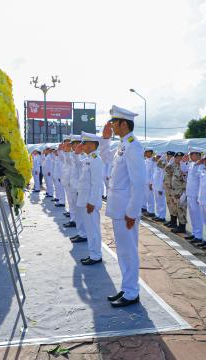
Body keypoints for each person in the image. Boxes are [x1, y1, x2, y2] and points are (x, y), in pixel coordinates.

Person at [100, 105, 145, 307]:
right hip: (120, 207)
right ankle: (127, 288)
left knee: (128, 251)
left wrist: (132, 211)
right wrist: (105, 139)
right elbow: (106, 158)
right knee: (123, 251)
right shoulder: (123, 146)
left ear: (123, 124)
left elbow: (138, 182)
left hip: (126, 209)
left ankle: (132, 292)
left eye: (113, 122)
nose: (111, 125)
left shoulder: (134, 146)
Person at [77, 132, 104, 265]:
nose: (82, 146)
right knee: (89, 229)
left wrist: (92, 202)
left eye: (85, 143)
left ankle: (96, 255)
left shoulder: (96, 160)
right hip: (85, 200)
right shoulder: (89, 159)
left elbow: (96, 183)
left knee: (93, 229)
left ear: (93, 145)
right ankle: (93, 253)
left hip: (90, 202)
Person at [180, 148, 204, 244]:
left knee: (197, 216)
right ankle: (194, 233)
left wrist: (199, 195)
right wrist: (183, 161)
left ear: (198, 155)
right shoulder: (192, 164)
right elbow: (183, 169)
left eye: (192, 154)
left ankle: (198, 235)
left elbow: (201, 182)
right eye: (190, 154)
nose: (190, 156)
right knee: (193, 215)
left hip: (196, 194)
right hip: (190, 193)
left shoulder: (200, 165)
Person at [68, 135, 88, 242]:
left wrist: (76, 154)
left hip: (80, 189)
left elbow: (79, 165)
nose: (73, 147)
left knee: (82, 213)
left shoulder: (84, 156)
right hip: (73, 187)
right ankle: (80, 232)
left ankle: (83, 234)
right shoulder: (74, 155)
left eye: (75, 144)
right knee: (77, 213)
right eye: (72, 145)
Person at [170, 152, 187, 234]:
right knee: (177, 209)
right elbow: (167, 169)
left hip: (180, 192)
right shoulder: (176, 166)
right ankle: (179, 226)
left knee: (181, 210)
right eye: (177, 157)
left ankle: (182, 227)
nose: (179, 159)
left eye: (181, 157)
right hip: (175, 192)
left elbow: (186, 181)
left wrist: (184, 193)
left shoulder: (184, 167)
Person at [157, 151, 175, 226]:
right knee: (169, 203)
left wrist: (170, 161)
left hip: (172, 187)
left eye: (169, 156)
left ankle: (174, 221)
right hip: (167, 187)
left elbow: (168, 168)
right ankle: (171, 220)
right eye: (167, 156)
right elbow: (158, 164)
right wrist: (162, 157)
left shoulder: (173, 164)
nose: (168, 157)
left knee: (173, 204)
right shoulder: (166, 163)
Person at [151, 153, 166, 222]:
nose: (156, 158)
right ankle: (158, 215)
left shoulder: (162, 167)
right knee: (157, 202)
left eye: (158, 157)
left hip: (160, 188)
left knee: (161, 202)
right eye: (156, 157)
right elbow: (154, 176)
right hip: (155, 187)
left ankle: (162, 216)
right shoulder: (156, 165)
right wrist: (152, 184)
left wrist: (161, 188)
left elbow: (162, 178)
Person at [143, 148, 156, 218]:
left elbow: (153, 173)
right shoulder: (145, 161)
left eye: (146, 152)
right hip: (144, 182)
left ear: (150, 153)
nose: (145, 153)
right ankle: (148, 210)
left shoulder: (153, 161)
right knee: (146, 197)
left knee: (150, 198)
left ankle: (151, 211)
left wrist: (151, 183)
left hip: (149, 183)